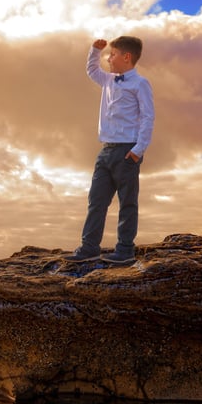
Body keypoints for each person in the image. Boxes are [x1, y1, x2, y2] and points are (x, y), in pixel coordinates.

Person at [65, 35, 155, 264]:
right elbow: (91, 70)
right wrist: (95, 51)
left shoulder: (140, 84)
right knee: (96, 200)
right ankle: (89, 247)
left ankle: (125, 250)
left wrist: (138, 150)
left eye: (112, 54)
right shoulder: (108, 80)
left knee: (127, 202)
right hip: (105, 150)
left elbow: (147, 117)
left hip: (127, 151)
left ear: (126, 57)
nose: (108, 58)